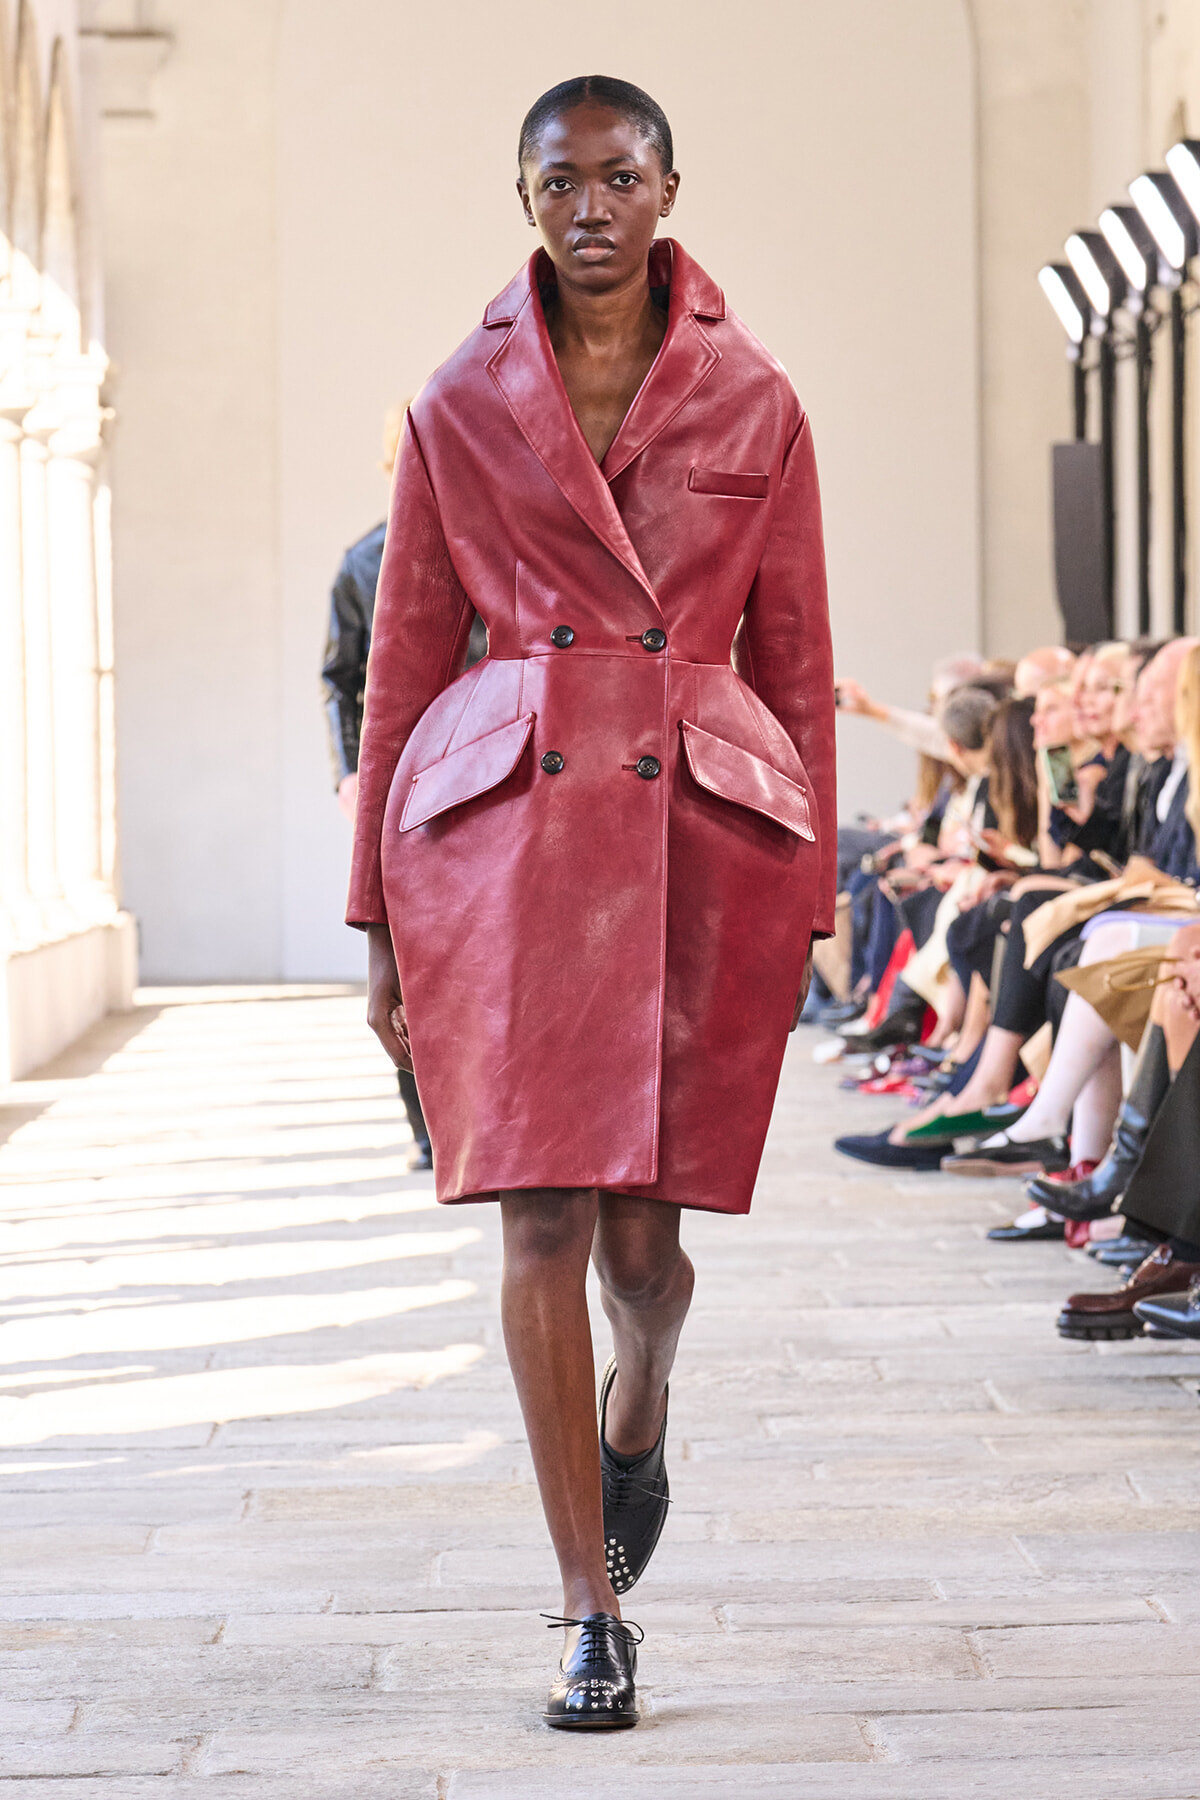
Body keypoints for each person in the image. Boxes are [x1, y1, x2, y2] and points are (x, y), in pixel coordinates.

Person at [345, 76, 835, 1730]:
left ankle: (646, 1400)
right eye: (563, 182)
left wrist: (813, 896)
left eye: (622, 178)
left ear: (670, 188)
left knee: (649, 1248)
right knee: (540, 1219)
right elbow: (405, 664)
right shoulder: (461, 398)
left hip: (696, 844)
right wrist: (376, 924)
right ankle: (586, 1610)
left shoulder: (758, 400)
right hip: (507, 852)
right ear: (525, 198)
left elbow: (801, 667)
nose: (594, 208)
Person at [322, 412, 485, 1171]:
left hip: (490, 775)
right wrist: (350, 772)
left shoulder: (493, 542)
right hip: (404, 785)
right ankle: (428, 1126)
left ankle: (485, 1112)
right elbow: (340, 679)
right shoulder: (363, 563)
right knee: (409, 957)